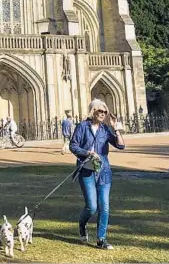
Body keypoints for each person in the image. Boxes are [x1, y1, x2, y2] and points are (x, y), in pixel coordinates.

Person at [69, 99, 125, 250]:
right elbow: (73, 145)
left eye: (105, 112)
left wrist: (116, 129)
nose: (103, 114)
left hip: (104, 172)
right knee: (92, 207)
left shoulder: (105, 129)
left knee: (104, 207)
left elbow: (120, 145)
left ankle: (101, 239)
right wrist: (87, 152)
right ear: (93, 111)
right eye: (100, 111)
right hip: (86, 169)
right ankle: (82, 223)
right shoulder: (82, 127)